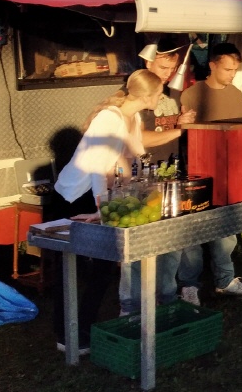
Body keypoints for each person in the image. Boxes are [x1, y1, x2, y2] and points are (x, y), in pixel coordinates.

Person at [49, 69, 163, 353]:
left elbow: (134, 151)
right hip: (74, 197)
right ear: (147, 95)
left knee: (102, 267)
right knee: (72, 268)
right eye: (160, 92)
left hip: (97, 195)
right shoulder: (108, 119)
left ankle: (84, 326)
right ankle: (67, 336)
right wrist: (104, 209)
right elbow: (99, 167)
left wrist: (145, 182)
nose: (162, 97)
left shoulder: (132, 116)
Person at [119, 38, 197, 317]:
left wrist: (182, 120)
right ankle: (131, 307)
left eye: (171, 68)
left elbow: (171, 122)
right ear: (148, 62)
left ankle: (166, 297)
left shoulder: (171, 93)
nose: (167, 73)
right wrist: (178, 130)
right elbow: (138, 138)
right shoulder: (137, 93)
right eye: (163, 67)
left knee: (171, 241)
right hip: (142, 177)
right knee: (139, 244)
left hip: (171, 173)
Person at [178, 43, 242, 303]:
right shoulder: (191, 94)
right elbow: (188, 134)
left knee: (227, 228)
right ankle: (189, 285)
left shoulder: (235, 93)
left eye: (235, 69)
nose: (232, 74)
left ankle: (225, 279)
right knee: (193, 230)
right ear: (212, 65)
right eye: (227, 69)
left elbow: (241, 130)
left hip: (228, 169)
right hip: (198, 171)